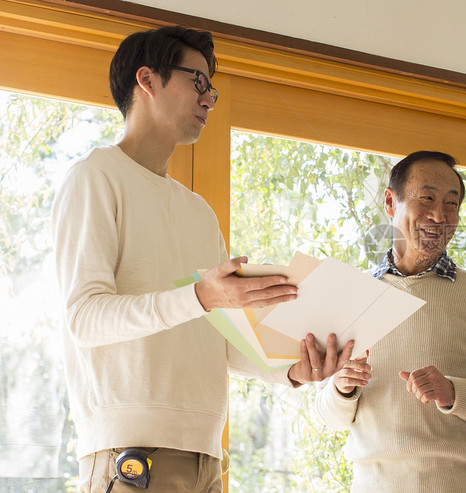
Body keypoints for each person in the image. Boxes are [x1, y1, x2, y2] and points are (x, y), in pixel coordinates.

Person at [51, 26, 353, 493]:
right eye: (197, 82)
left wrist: (293, 371)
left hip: (208, 457)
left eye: (211, 87)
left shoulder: (198, 212)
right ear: (147, 80)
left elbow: (223, 342)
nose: (210, 99)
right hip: (130, 454)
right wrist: (200, 295)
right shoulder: (94, 178)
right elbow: (85, 318)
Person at [315, 150, 466, 492]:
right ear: (390, 203)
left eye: (452, 203)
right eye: (427, 198)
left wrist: (453, 392)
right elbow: (326, 417)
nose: (440, 215)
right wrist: (342, 388)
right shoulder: (352, 295)